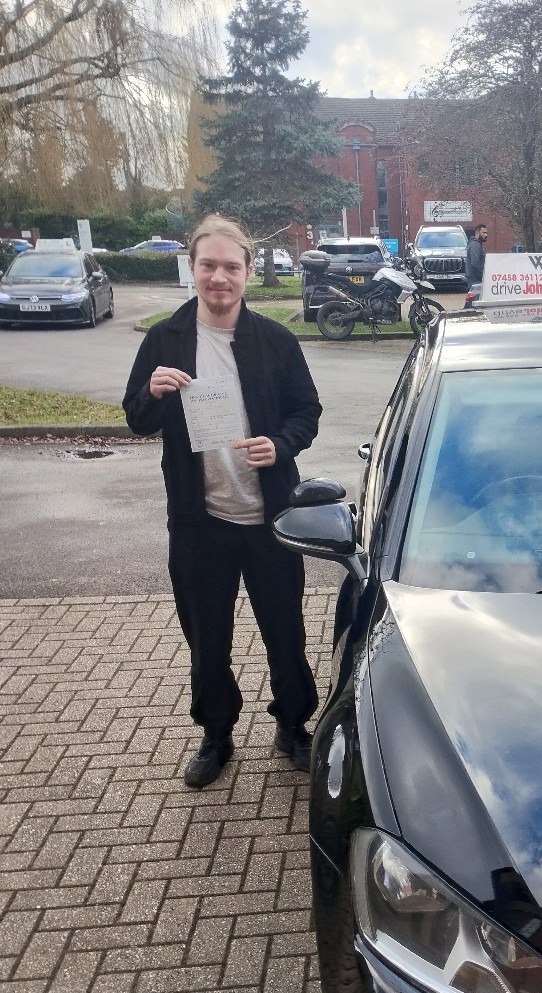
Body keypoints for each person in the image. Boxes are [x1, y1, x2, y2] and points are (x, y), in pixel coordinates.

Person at [123, 214, 322, 789]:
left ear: (249, 273)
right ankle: (216, 734)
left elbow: (306, 412)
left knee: (284, 630)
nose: (219, 277)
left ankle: (292, 725)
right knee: (207, 636)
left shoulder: (275, 340)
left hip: (270, 519)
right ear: (192, 267)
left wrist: (279, 444)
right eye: (208, 265)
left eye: (231, 267)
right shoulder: (164, 340)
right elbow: (137, 418)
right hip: (199, 521)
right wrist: (153, 393)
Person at [466, 222, 488, 289]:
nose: (486, 235)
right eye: (483, 233)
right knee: (476, 298)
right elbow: (475, 264)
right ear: (477, 233)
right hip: (475, 280)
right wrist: (482, 276)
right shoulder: (475, 245)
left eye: (486, 233)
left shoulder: (477, 244)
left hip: (474, 278)